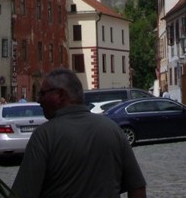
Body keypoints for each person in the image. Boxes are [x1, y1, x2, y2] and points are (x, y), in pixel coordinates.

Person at [11, 68, 146, 198]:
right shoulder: (113, 129)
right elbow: (137, 187)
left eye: (42, 94)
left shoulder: (44, 135)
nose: (39, 100)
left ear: (60, 95)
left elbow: (22, 193)